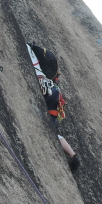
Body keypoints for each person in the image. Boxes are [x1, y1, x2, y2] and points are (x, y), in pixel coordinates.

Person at [27, 43, 80, 172]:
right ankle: (73, 155)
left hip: (50, 94)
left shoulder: (42, 67)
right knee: (53, 131)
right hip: (53, 97)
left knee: (52, 131)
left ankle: (73, 156)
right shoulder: (51, 76)